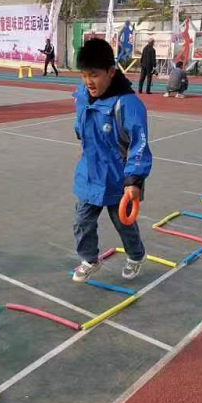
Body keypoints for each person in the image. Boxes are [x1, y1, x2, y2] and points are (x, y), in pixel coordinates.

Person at [72, 38, 152, 282]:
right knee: (82, 221)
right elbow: (81, 127)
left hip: (119, 179)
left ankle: (136, 256)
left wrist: (134, 180)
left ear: (111, 72)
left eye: (94, 75)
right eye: (84, 75)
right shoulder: (83, 95)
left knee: (124, 224)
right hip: (90, 174)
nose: (88, 82)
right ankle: (90, 259)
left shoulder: (127, 104)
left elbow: (139, 144)